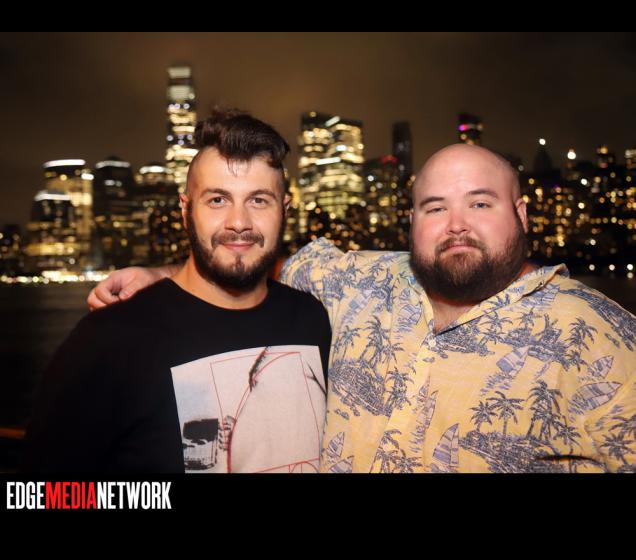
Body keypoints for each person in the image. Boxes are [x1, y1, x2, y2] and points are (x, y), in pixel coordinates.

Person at [90, 143, 636, 473]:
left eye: (480, 203)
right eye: (435, 208)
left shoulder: (600, 334)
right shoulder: (361, 280)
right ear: (412, 220)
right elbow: (246, 258)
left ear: (521, 212)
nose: (456, 225)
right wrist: (165, 275)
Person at [23, 109, 331, 473]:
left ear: (285, 209)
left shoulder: (314, 320)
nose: (239, 222)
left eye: (258, 200)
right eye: (217, 200)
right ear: (186, 211)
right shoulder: (107, 341)